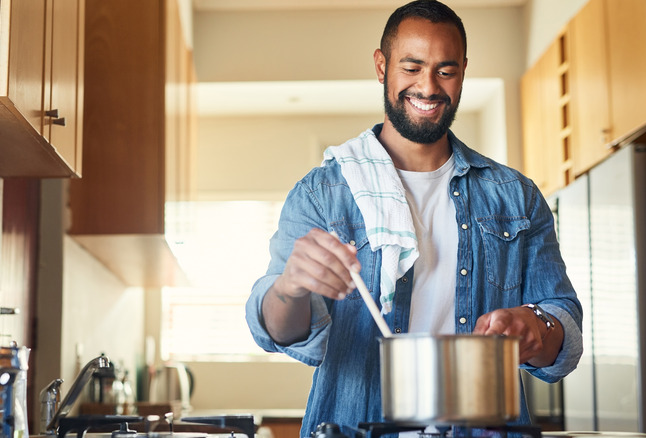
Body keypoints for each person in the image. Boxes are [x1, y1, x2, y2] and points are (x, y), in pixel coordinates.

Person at [245, 1, 583, 436]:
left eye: (445, 70)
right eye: (412, 67)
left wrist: (537, 326)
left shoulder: (516, 196)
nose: (428, 87)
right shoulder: (323, 193)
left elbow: (564, 326)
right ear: (382, 66)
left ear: (463, 70)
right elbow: (276, 333)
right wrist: (290, 287)